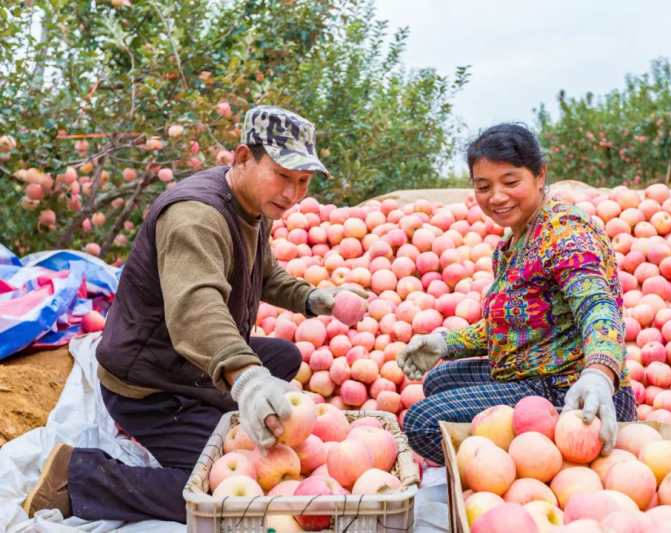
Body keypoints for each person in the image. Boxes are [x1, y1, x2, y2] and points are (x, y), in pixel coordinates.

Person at [22, 105, 368, 523]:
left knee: (284, 357)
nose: (293, 195)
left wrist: (314, 299)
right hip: (149, 381)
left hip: (182, 361)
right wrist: (248, 380)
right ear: (243, 158)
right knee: (221, 491)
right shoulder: (196, 217)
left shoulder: (253, 204)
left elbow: (265, 272)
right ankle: (78, 479)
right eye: (282, 176)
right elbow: (195, 308)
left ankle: (211, 411)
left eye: (302, 181)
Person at [398, 123, 636, 466]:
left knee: (422, 424)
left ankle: (529, 467)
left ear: (539, 175)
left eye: (510, 182)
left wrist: (599, 375)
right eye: (484, 186)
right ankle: (511, 462)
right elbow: (517, 323)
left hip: (576, 394)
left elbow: (597, 304)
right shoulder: (513, 243)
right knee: (438, 379)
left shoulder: (565, 232)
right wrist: (446, 343)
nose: (496, 196)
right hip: (532, 372)